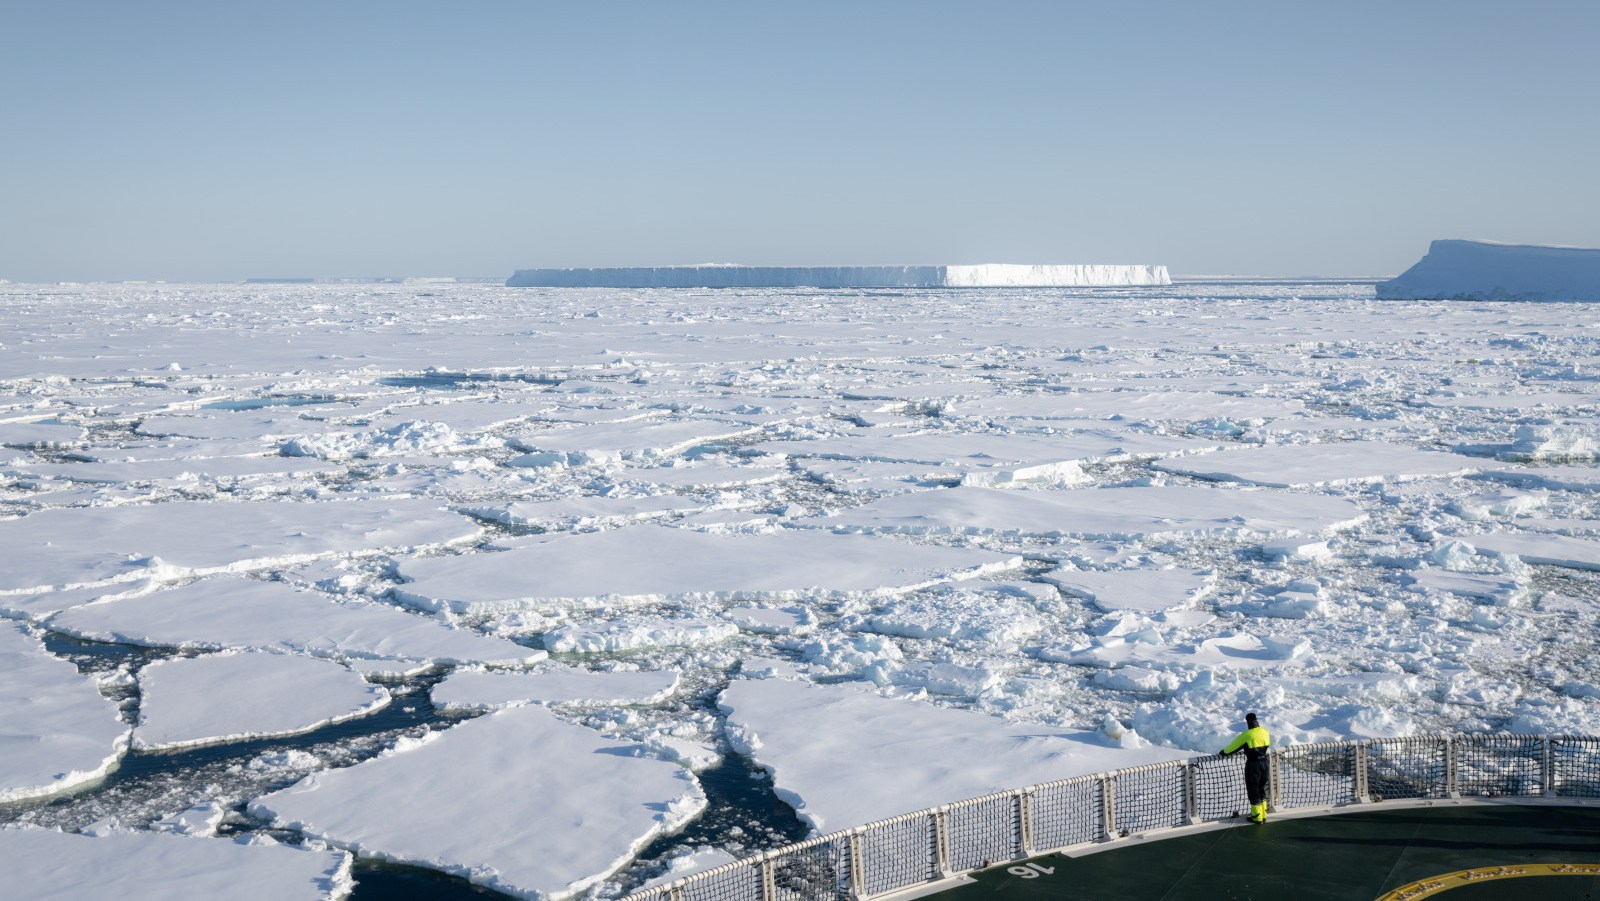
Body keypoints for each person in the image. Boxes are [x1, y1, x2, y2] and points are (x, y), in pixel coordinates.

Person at [1219, 712, 1271, 823]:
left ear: (1248, 722)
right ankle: (1263, 815)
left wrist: (1222, 753)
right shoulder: (1265, 732)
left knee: (1253, 790)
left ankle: (1257, 817)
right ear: (1257, 721)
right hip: (1265, 763)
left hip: (1253, 765)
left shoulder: (1247, 735)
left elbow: (1231, 748)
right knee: (1261, 788)